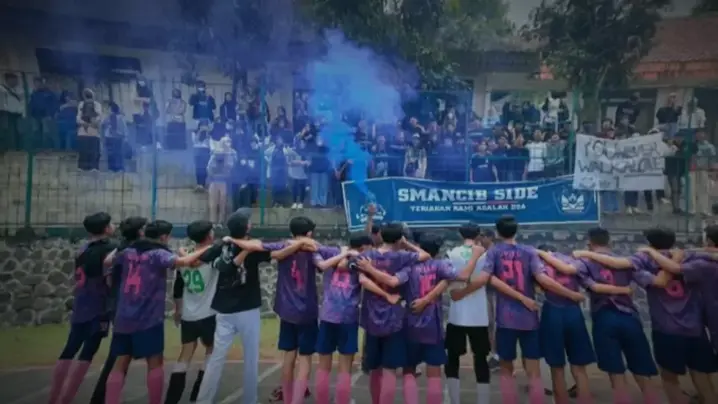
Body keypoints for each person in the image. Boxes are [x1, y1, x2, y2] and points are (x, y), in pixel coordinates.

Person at [451, 215, 586, 404]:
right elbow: (544, 280)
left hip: (506, 318)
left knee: (506, 369)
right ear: (516, 231)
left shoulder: (494, 252)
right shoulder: (529, 251)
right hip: (529, 317)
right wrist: (571, 294)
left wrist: (462, 292)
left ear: (497, 232)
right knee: (533, 369)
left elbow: (484, 279)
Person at [578, 227, 717, 403]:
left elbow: (622, 266)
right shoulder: (690, 257)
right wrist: (677, 257)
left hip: (666, 329)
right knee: (702, 379)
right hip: (695, 329)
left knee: (668, 379)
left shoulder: (642, 260)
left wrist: (585, 253)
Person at [194, 211, 303, 404]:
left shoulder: (222, 245)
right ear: (247, 228)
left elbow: (201, 258)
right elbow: (277, 254)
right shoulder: (253, 247)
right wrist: (297, 245)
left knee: (216, 358)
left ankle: (204, 399)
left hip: (224, 309)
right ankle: (249, 400)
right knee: (250, 359)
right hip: (247, 308)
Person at [102, 220, 212, 404]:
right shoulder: (158, 254)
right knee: (154, 363)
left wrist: (123, 246)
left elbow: (107, 261)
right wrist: (208, 248)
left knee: (120, 363)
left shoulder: (127, 252)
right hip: (148, 317)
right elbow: (185, 262)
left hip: (123, 317)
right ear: (163, 237)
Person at [572, 227, 668, 404]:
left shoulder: (584, 263)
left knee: (616, 374)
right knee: (642, 372)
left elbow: (593, 286)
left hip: (604, 318)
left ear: (589, 243)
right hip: (629, 317)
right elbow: (653, 281)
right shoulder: (627, 262)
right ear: (610, 241)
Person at [535, 245, 632, 404]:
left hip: (553, 311)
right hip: (573, 312)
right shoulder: (572, 260)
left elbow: (541, 286)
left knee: (556, 368)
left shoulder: (538, 262)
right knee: (579, 367)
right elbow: (577, 276)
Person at [312, 233, 395, 404]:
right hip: (348, 318)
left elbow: (318, 250)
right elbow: (362, 279)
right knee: (345, 367)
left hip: (327, 315)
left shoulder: (332, 254)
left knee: (323, 366)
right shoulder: (363, 261)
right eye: (369, 248)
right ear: (363, 247)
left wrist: (344, 254)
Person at [401, 233, 483, 404]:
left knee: (409, 370)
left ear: (419, 247)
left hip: (410, 324)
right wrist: (475, 256)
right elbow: (464, 276)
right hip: (433, 326)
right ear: (438, 250)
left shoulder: (408, 266)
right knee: (434, 373)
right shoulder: (441, 265)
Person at [358, 222, 431, 404]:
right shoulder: (404, 257)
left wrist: (370, 269)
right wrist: (406, 244)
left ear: (380, 235)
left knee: (374, 369)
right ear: (400, 239)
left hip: (371, 317)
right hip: (395, 319)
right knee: (389, 369)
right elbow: (426, 255)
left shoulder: (367, 255)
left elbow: (361, 278)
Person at [48, 212, 117, 404]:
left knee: (69, 349)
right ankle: (66, 398)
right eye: (111, 223)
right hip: (99, 306)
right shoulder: (110, 249)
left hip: (81, 304)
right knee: (88, 352)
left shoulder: (82, 249)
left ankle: (53, 398)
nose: (113, 226)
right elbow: (109, 279)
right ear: (106, 228)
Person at [89, 216, 147, 404]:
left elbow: (107, 265)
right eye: (144, 228)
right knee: (120, 357)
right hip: (128, 307)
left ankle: (103, 397)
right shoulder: (134, 251)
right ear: (140, 232)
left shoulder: (120, 249)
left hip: (118, 304)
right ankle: (102, 398)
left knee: (121, 355)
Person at [164, 220, 221, 404]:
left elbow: (178, 286)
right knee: (211, 351)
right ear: (209, 235)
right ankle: (198, 394)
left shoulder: (185, 255)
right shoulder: (212, 256)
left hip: (189, 315)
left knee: (185, 354)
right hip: (209, 313)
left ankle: (172, 399)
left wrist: (178, 309)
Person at [444, 223, 492, 404]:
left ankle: (454, 400)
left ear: (460, 234)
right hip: (479, 315)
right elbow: (486, 280)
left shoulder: (451, 253)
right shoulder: (486, 255)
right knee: (481, 358)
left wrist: (460, 292)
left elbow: (448, 279)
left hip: (457, 314)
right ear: (479, 234)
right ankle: (483, 401)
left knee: (453, 358)